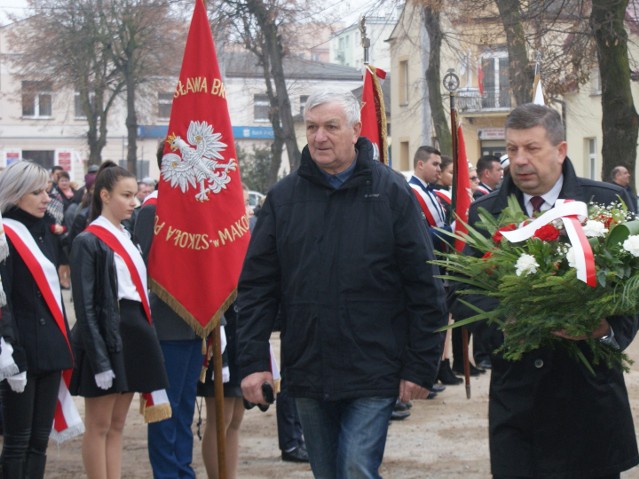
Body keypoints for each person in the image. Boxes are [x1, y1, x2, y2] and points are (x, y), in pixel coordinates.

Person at [236, 90, 446, 479]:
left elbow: (424, 283)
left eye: (330, 127)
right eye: (312, 127)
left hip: (374, 367)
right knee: (328, 473)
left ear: (355, 131)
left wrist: (420, 365)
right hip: (308, 368)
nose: (319, 137)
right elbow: (256, 288)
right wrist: (251, 363)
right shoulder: (283, 199)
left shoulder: (390, 193)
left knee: (355, 469)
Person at [452, 103, 639, 477]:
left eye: (531, 148)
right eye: (511, 149)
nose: (519, 160)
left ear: (560, 150)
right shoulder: (485, 212)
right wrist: (505, 325)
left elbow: (637, 284)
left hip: (587, 395)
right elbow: (464, 289)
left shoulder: (605, 202)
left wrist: (607, 330)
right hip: (518, 398)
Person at [69, 161, 169, 479]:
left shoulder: (127, 236)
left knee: (117, 425)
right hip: (106, 334)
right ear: (104, 195)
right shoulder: (88, 241)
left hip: (133, 333)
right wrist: (99, 360)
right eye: (126, 195)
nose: (134, 201)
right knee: (98, 426)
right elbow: (85, 307)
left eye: (133, 195)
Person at [0, 161, 74, 478]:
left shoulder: (46, 232)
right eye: (37, 192)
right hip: (19, 353)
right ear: (15, 195)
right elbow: (4, 301)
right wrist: (10, 350)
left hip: (49, 350)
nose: (47, 198)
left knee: (39, 443)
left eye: (46, 190)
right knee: (17, 442)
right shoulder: (5, 234)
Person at [136, 142, 205, 479]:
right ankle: (168, 472)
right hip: (165, 326)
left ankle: (183, 469)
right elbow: (144, 273)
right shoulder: (152, 210)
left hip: (194, 325)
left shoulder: (195, 208)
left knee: (185, 408)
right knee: (165, 409)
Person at [196, 307, 244, 479]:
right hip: (221, 326)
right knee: (222, 416)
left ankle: (229, 476)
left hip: (242, 324)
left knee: (236, 417)